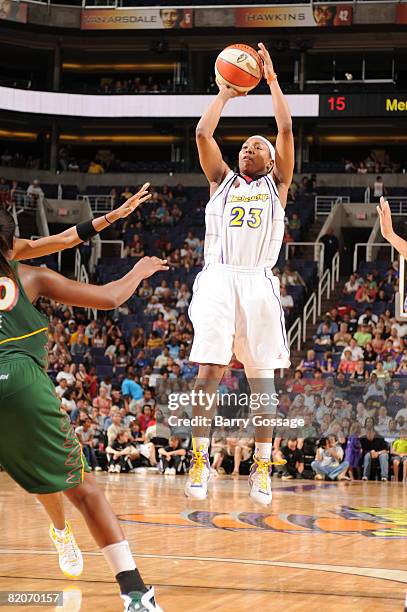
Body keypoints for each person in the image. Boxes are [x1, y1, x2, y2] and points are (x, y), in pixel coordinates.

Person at [0, 207, 166, 611]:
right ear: (11, 242)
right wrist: (139, 272)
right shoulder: (30, 275)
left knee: (46, 480)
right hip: (18, 380)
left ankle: (62, 532)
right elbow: (109, 297)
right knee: (84, 490)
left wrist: (109, 218)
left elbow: (59, 240)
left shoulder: (26, 264)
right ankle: (135, 594)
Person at [184, 43, 294, 505]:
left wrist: (270, 80)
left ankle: (263, 464)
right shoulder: (221, 180)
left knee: (261, 378)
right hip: (218, 276)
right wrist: (226, 94)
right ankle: (198, 457)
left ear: (271, 162)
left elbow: (285, 127)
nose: (249, 148)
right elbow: (203, 134)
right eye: (245, 145)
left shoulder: (279, 184)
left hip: (258, 280)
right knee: (209, 370)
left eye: (258, 147)